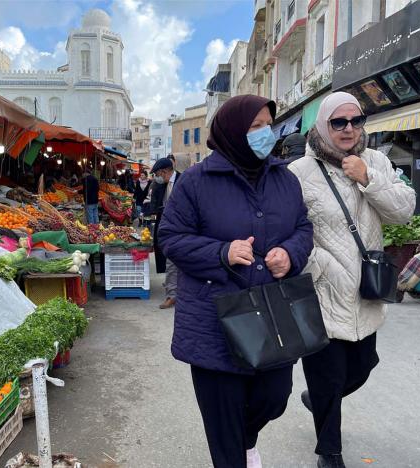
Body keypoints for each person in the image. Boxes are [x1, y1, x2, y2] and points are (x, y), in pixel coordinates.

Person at [158, 95, 314, 468]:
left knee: (275, 396)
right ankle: (235, 452)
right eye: (255, 126)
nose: (266, 133)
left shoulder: (285, 179)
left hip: (273, 314)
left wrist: (290, 254)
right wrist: (221, 253)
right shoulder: (196, 182)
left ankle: (244, 441)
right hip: (215, 320)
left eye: (268, 125)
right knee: (223, 422)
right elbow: (171, 238)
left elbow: (304, 228)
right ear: (231, 132)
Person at [288, 92, 415, 468]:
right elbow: (289, 228)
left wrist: (368, 178)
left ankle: (318, 400)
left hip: (366, 290)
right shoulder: (300, 172)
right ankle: (330, 452)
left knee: (362, 366)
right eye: (338, 122)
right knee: (328, 375)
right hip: (322, 290)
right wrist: (319, 266)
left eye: (355, 121)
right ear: (323, 125)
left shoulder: (375, 161)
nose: (348, 129)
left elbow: (403, 213)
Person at [150, 157, 181, 309]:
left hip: (182, 228)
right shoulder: (160, 185)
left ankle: (174, 294)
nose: (157, 177)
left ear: (164, 172)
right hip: (168, 227)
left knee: (175, 262)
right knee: (170, 262)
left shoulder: (183, 180)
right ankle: (172, 294)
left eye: (158, 174)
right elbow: (158, 203)